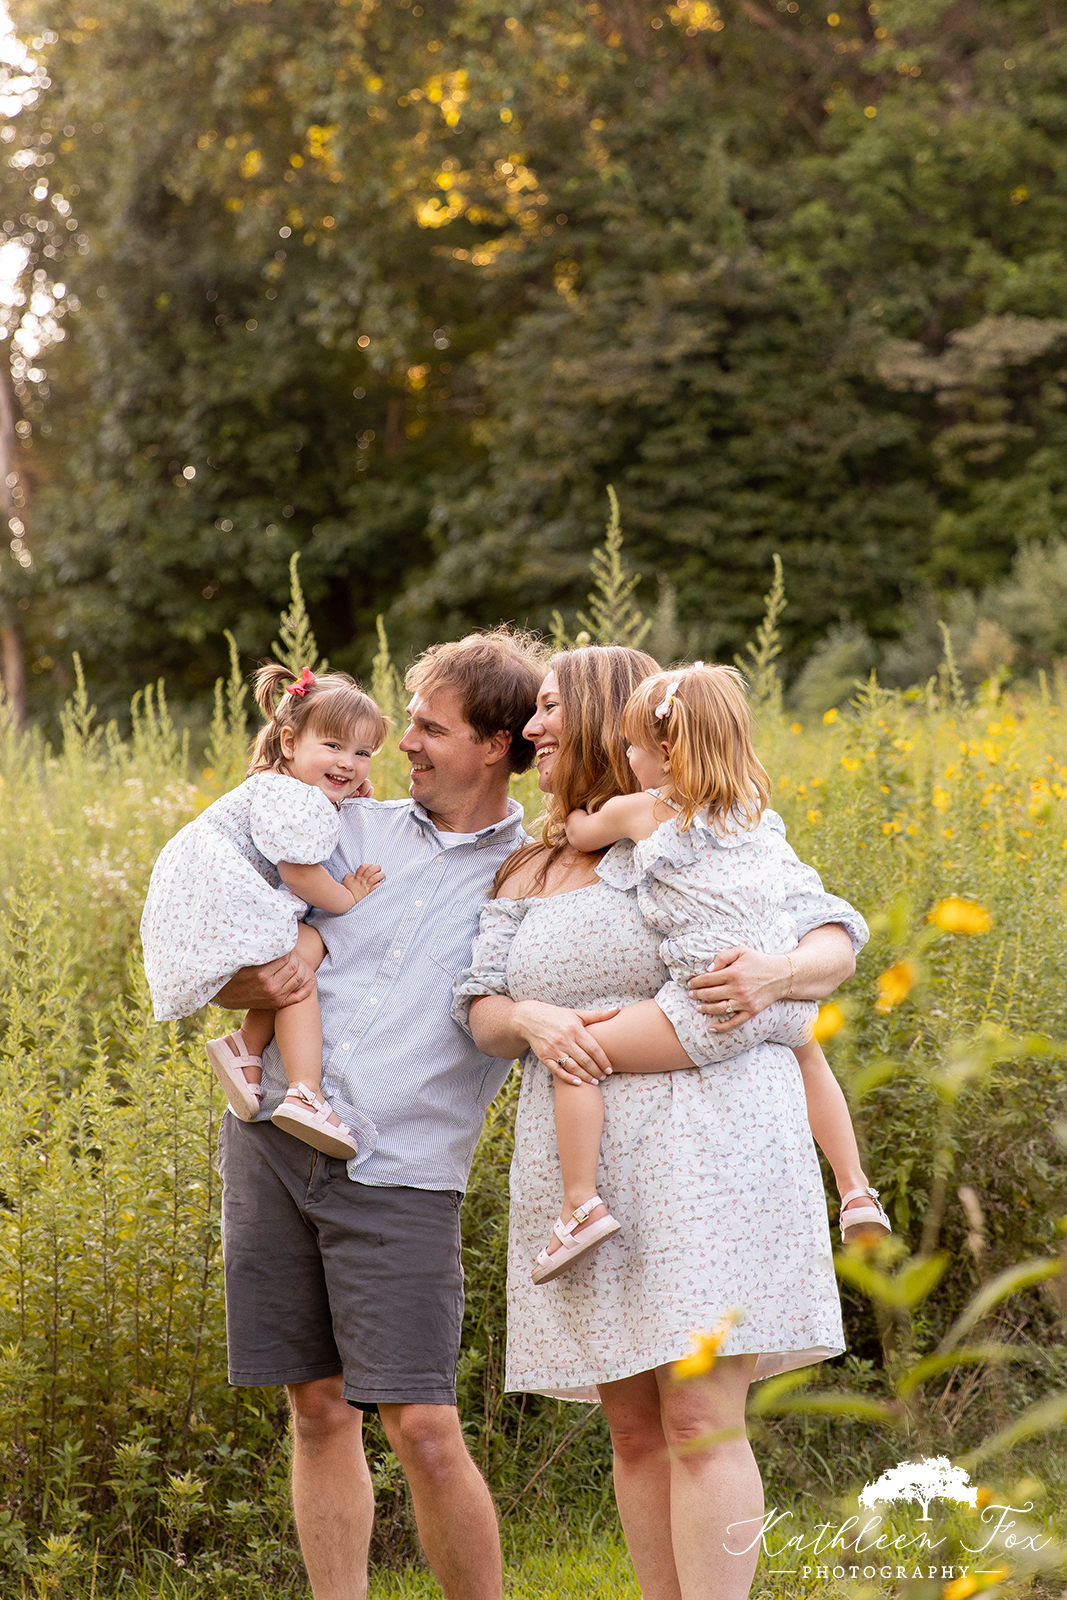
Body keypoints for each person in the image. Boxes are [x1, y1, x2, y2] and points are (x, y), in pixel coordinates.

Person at [453, 644, 867, 1600]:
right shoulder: (534, 864)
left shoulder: (700, 825)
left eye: (551, 708)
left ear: (607, 716)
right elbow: (478, 1008)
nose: (531, 729)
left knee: (696, 1419)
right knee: (633, 1428)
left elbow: (833, 933)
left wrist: (779, 974)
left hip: (713, 1145)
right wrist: (529, 1019)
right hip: (583, 1161)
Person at [211, 629, 546, 1600]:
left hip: (398, 1172)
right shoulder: (345, 828)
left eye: (430, 727)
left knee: (425, 1427)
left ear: (493, 744)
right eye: (407, 720)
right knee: (315, 1408)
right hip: (269, 1140)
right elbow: (239, 966)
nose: (404, 743)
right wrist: (256, 974)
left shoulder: (530, 874)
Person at [540, 660, 888, 1281]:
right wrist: (782, 975)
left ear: (666, 752)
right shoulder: (754, 815)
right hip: (778, 997)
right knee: (812, 1061)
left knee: (577, 1052)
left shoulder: (645, 811)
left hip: (709, 1001)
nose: (628, 756)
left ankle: (578, 1204)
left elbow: (579, 828)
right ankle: (856, 1187)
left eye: (634, 746)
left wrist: (583, 807)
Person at [140, 664, 388, 1159]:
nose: (349, 764)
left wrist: (340, 797)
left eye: (362, 754)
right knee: (298, 977)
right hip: (219, 895)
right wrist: (349, 895)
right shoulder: (293, 797)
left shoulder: (285, 787)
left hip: (202, 893)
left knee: (301, 949)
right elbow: (299, 874)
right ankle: (305, 1092)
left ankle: (245, 1048)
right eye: (334, 747)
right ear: (290, 742)